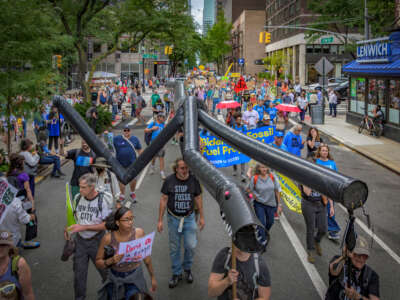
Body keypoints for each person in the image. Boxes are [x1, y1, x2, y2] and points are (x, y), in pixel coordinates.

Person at [157, 158, 205, 288]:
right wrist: (160, 220)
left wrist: (202, 217)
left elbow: (198, 198)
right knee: (175, 247)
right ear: (176, 169)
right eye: (182, 168)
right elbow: (163, 199)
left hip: (189, 218)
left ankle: (187, 268)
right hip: (173, 219)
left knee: (190, 245)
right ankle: (176, 273)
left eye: (187, 168)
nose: (185, 171)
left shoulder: (194, 181)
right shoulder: (169, 181)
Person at [65, 173, 113, 300]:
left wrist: (84, 227)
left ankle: (110, 295)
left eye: (83, 187)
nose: (80, 190)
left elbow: (107, 225)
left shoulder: (102, 201)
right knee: (79, 276)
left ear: (92, 187)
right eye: (80, 187)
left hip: (98, 242)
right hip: (80, 242)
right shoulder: (77, 198)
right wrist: (69, 229)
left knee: (106, 273)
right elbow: (75, 218)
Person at [96, 207, 157, 299]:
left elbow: (147, 259)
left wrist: (152, 277)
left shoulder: (139, 233)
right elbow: (98, 262)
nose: (130, 222)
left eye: (132, 218)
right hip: (115, 278)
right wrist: (111, 260)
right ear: (117, 222)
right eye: (126, 220)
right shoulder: (108, 238)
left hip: (135, 278)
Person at [326, 236, 380, 300]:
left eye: (365, 256)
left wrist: (357, 296)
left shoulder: (371, 275)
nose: (361, 259)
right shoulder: (339, 262)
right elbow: (333, 271)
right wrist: (344, 256)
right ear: (350, 253)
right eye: (358, 254)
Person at [248, 164, 281, 249]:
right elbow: (248, 190)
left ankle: (263, 233)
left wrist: (279, 205)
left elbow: (277, 191)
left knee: (270, 222)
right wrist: (254, 196)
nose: (265, 169)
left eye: (266, 167)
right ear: (258, 168)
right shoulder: (254, 178)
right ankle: (262, 241)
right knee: (262, 223)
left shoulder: (272, 177)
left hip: (271, 204)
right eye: (262, 167)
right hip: (259, 204)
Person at [315, 144, 341, 240]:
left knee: (330, 211)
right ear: (319, 152)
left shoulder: (332, 163)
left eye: (326, 151)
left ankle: (332, 231)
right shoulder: (316, 162)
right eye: (323, 150)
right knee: (318, 209)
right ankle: (317, 224)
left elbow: (336, 176)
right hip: (318, 191)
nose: (325, 152)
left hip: (329, 191)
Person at [0, 231, 35, 300]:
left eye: (3, 245)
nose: (0, 248)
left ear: (10, 246)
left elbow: (28, 294)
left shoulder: (19, 264)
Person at [113, 126, 143, 203]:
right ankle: (122, 195)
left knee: (133, 180)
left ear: (130, 131)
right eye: (125, 130)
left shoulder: (135, 139)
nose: (126, 131)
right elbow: (109, 143)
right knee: (121, 180)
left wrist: (142, 160)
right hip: (120, 164)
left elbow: (139, 149)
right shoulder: (117, 139)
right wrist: (106, 135)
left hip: (132, 164)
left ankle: (132, 193)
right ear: (123, 131)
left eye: (128, 130)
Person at [300, 183, 327, 263]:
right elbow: (307, 193)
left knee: (323, 229)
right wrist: (314, 180)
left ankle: (317, 241)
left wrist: (331, 206)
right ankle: (310, 250)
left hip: (320, 203)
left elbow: (327, 191)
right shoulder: (305, 175)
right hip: (308, 204)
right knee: (311, 228)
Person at [145, 114, 166, 180]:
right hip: (153, 143)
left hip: (161, 143)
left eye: (164, 118)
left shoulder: (163, 124)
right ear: (159, 118)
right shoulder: (153, 123)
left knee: (161, 157)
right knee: (153, 157)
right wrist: (152, 129)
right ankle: (152, 167)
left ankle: (162, 172)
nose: (163, 119)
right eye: (162, 117)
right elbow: (145, 130)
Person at [231, 113, 247, 181]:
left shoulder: (243, 127)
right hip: (235, 145)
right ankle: (235, 170)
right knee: (234, 158)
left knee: (242, 159)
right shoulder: (233, 127)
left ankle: (243, 173)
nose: (239, 121)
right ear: (236, 120)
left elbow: (246, 135)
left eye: (240, 119)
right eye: (238, 120)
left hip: (242, 145)